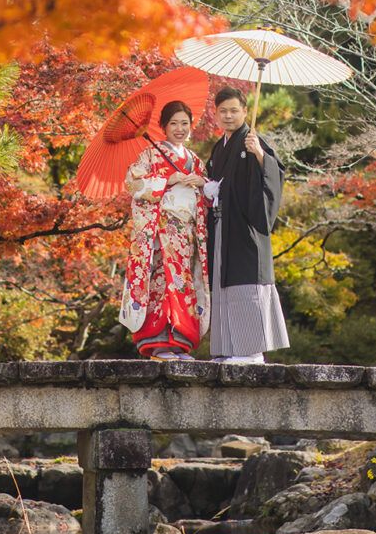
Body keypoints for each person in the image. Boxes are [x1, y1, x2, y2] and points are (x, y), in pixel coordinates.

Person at [205, 86, 289, 363]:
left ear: (244, 111)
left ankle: (252, 351)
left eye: (234, 110)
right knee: (222, 285)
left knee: (246, 287)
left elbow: (274, 174)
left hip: (246, 229)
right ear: (215, 114)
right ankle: (227, 349)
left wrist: (260, 156)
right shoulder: (220, 148)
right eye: (223, 111)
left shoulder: (253, 142)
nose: (228, 116)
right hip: (223, 228)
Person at [121, 100, 210, 360]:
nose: (180, 129)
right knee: (162, 284)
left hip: (186, 234)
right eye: (174, 123)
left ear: (191, 126)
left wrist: (201, 183)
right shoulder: (150, 154)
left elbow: (206, 197)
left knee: (184, 285)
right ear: (163, 127)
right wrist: (166, 180)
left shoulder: (195, 160)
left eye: (185, 123)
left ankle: (179, 343)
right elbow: (133, 184)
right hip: (161, 231)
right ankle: (159, 343)